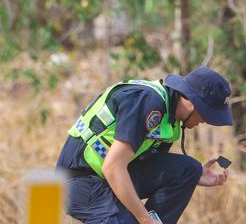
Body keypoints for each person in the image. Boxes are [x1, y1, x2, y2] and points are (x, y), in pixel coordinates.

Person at [56, 66, 233, 224]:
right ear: (192, 102)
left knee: (190, 169)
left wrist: (196, 177)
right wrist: (144, 219)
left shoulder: (170, 120)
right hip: (79, 182)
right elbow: (113, 167)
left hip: (106, 177)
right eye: (207, 115)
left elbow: (148, 165)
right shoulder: (148, 102)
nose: (205, 121)